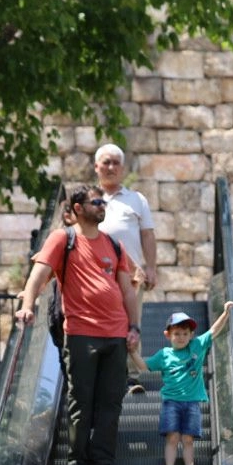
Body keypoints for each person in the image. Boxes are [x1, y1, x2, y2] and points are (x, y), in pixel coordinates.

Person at [15, 184, 142, 465]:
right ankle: (77, 463)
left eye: (103, 202)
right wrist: (28, 305)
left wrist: (134, 326)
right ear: (77, 208)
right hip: (81, 332)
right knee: (81, 401)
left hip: (116, 334)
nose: (102, 206)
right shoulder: (63, 238)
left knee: (111, 402)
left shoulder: (114, 245)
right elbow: (38, 275)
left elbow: (127, 290)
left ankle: (103, 462)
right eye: (96, 202)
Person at [129, 302, 233, 465]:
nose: (181, 337)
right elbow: (143, 367)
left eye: (185, 334)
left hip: (192, 403)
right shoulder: (164, 354)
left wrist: (225, 313)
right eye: (176, 333)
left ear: (191, 335)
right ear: (167, 335)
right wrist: (133, 352)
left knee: (188, 439)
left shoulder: (196, 346)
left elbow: (213, 331)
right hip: (171, 402)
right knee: (172, 437)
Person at [95, 144, 157, 397]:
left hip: (130, 276)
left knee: (132, 323)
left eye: (115, 163)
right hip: (95, 276)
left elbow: (147, 235)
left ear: (122, 168)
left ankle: (130, 378)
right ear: (96, 167)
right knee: (99, 325)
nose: (111, 167)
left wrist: (151, 267)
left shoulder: (136, 200)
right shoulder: (89, 199)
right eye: (106, 162)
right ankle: (102, 377)